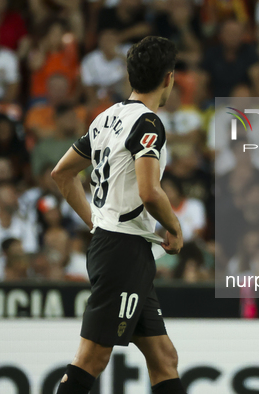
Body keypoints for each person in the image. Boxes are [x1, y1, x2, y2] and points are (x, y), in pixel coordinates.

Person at [51, 36, 186, 394]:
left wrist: (96, 221)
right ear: (169, 79)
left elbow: (62, 174)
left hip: (121, 247)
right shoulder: (149, 124)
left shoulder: (106, 118)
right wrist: (175, 226)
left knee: (164, 357)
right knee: (91, 359)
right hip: (123, 251)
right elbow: (149, 191)